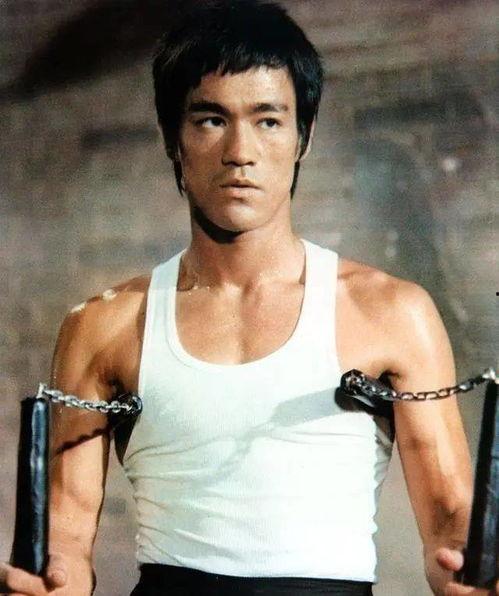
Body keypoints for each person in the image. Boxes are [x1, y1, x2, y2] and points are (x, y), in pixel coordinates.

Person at [1, 1, 497, 595]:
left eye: (268, 121)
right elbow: (65, 539)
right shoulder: (104, 325)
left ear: (303, 137)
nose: (241, 151)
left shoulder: (391, 313)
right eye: (211, 120)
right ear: (173, 139)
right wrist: (50, 583)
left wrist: (474, 571)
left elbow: (450, 523)